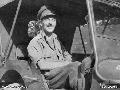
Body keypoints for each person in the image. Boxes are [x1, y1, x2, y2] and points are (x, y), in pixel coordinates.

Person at [27, 5, 92, 90]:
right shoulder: (34, 42)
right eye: (47, 19)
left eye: (53, 20)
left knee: (86, 68)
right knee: (74, 67)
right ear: (40, 23)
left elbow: (68, 56)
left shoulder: (57, 40)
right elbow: (42, 65)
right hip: (49, 80)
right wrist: (67, 63)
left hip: (63, 74)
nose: (50, 23)